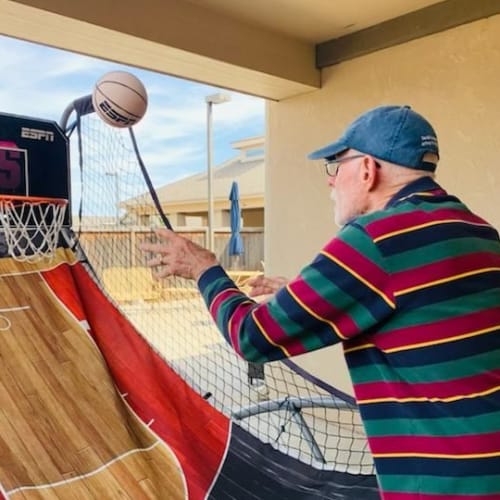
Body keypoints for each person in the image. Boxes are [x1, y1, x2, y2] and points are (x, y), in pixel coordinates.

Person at [141, 105, 500, 499]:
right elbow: (421, 306)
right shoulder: (477, 230)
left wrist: (204, 268)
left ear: (367, 170)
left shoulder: (374, 239)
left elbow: (252, 338)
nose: (331, 182)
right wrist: (300, 293)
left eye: (335, 165)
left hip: (443, 484)